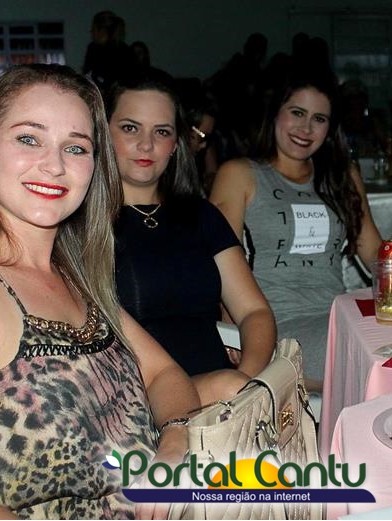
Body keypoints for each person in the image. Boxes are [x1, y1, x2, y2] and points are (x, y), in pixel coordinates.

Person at [0, 64, 200, 519]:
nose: (54, 165)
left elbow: (165, 374)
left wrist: (175, 440)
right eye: (29, 139)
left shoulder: (74, 278)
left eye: (75, 147)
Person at [107, 70, 275, 404]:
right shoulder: (85, 227)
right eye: (130, 128)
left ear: (175, 144)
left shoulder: (200, 216)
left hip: (224, 394)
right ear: (103, 133)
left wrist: (247, 382)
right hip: (137, 400)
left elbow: (254, 312)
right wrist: (232, 390)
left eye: (162, 131)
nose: (146, 144)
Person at [210, 69, 382, 391]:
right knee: (367, 358)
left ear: (330, 128)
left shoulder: (342, 175)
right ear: (276, 113)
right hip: (276, 323)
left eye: (319, 119)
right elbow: (219, 263)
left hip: (339, 315)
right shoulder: (241, 174)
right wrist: (234, 332)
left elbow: (374, 251)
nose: (306, 128)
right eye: (297, 113)